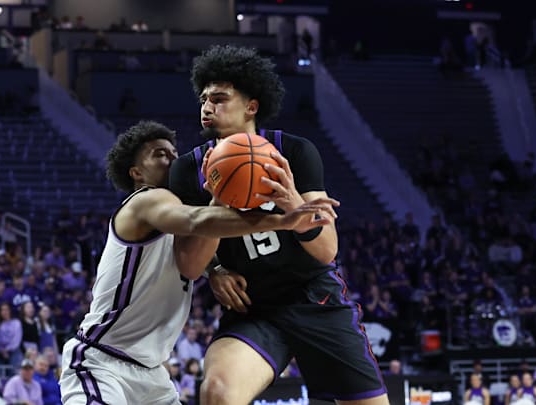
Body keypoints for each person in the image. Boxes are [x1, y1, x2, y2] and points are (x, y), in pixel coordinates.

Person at [168, 44, 388, 404]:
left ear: (252, 106)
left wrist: (294, 204)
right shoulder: (186, 171)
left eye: (220, 98)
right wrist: (217, 253)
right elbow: (190, 266)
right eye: (204, 99)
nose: (207, 107)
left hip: (314, 298)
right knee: (217, 392)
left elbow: (326, 250)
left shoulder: (296, 152)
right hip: (253, 309)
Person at [58, 120, 337, 404]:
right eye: (159, 154)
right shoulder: (146, 201)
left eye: (173, 152)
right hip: (101, 362)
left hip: (152, 375)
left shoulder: (173, 211)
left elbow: (195, 239)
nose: (172, 159)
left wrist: (214, 268)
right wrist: (281, 220)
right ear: (136, 172)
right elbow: (197, 221)